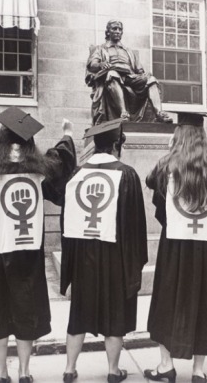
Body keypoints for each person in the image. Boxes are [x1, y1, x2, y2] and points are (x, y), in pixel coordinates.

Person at [0, 108, 76, 383]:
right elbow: (60, 161)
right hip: (27, 256)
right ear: (29, 144)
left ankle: (1, 373)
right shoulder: (39, 171)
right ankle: (24, 372)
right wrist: (67, 135)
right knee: (27, 311)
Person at [144, 113, 207, 383]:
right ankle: (198, 371)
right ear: (202, 135)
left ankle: (166, 365)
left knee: (167, 302)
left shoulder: (168, 164)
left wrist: (170, 152)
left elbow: (150, 183)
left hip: (176, 249)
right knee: (206, 303)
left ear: (178, 134)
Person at [60, 121, 148, 383]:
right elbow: (135, 224)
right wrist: (135, 261)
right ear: (115, 145)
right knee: (114, 313)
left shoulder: (76, 175)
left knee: (79, 313)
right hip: (115, 258)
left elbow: (66, 220)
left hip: (83, 257)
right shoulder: (127, 174)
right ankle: (112, 370)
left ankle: (69, 368)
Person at [85, 19, 172, 125]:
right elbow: (92, 65)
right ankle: (123, 113)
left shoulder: (128, 51)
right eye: (114, 29)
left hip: (130, 77)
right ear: (108, 32)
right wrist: (100, 64)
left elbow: (139, 69)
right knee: (112, 74)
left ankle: (159, 114)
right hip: (112, 75)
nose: (117, 31)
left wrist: (144, 75)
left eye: (120, 29)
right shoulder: (100, 49)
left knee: (151, 79)